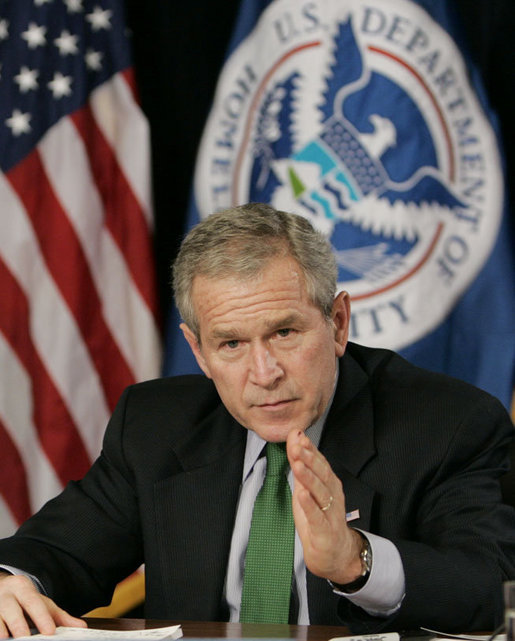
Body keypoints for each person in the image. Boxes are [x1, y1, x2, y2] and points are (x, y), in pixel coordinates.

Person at [0, 203, 514, 638]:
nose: (263, 374)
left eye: (285, 332)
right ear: (198, 351)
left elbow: (492, 590)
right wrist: (8, 582)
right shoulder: (156, 425)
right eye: (231, 344)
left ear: (337, 323)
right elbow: (57, 551)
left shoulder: (450, 424)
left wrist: (357, 562)